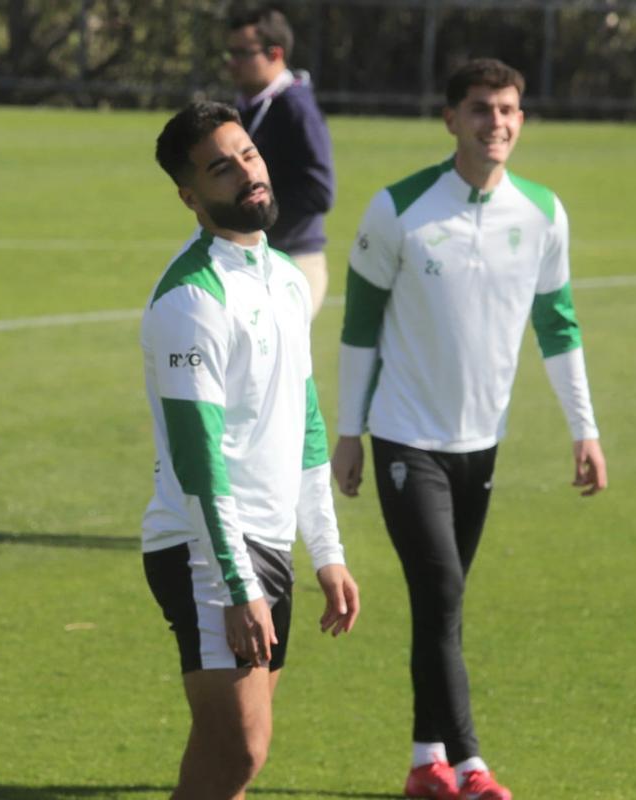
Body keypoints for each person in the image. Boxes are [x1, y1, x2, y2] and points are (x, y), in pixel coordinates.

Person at [331, 59, 608, 800]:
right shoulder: (398, 210)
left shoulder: (543, 214)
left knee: (438, 606)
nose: (498, 123)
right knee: (444, 591)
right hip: (403, 436)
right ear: (450, 118)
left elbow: (558, 325)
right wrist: (350, 432)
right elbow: (359, 326)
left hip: (481, 444)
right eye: (482, 109)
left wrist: (585, 429)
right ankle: (472, 766)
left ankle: (426, 762)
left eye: (510, 110)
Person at [143, 101, 359, 799]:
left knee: (235, 754)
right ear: (189, 196)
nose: (246, 174)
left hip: (270, 543)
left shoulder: (287, 280)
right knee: (238, 749)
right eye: (221, 168)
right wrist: (239, 586)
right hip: (206, 547)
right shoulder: (190, 300)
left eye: (249, 156)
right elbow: (198, 457)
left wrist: (325, 552)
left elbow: (308, 425)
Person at [225, 3, 335, 318]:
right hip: (253, 256)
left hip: (293, 260)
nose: (232, 63)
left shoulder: (296, 108)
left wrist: (251, 202)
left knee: (275, 366)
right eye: (229, 53)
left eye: (242, 53)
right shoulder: (247, 104)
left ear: (275, 54)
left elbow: (321, 192)